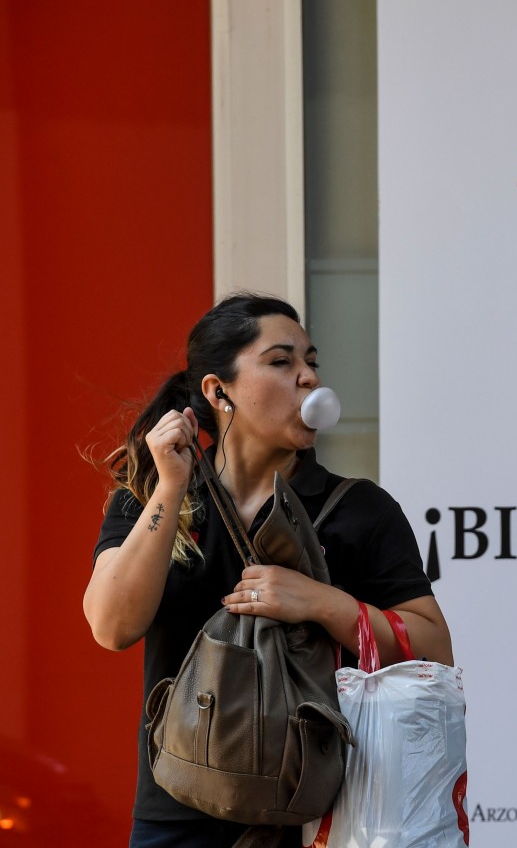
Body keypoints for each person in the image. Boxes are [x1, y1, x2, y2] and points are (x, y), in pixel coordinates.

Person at [83, 292, 453, 847]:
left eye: (311, 362)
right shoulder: (150, 500)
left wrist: (322, 604)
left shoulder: (361, 510)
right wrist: (171, 486)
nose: (307, 378)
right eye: (281, 362)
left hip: (319, 818)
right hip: (176, 814)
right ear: (218, 390)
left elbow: (434, 648)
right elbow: (112, 626)